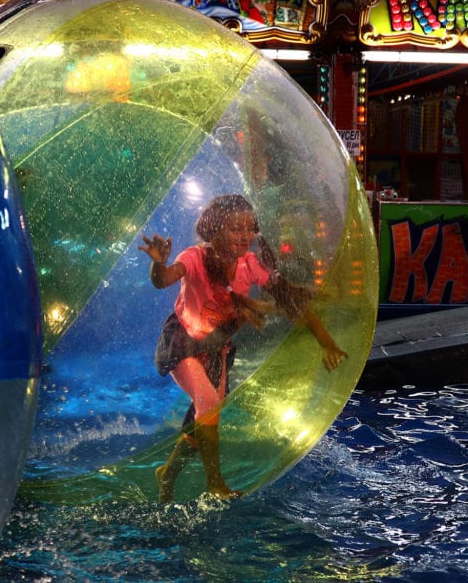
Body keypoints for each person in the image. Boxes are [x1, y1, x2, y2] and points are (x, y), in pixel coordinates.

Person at [138, 194, 347, 501]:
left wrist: (327, 343)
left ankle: (166, 474)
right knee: (208, 404)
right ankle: (216, 484)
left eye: (250, 229)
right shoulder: (194, 258)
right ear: (215, 229)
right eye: (236, 229)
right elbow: (165, 279)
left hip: (216, 348)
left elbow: (292, 302)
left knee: (205, 421)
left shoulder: (250, 265)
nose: (245, 236)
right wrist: (158, 264)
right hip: (183, 343)